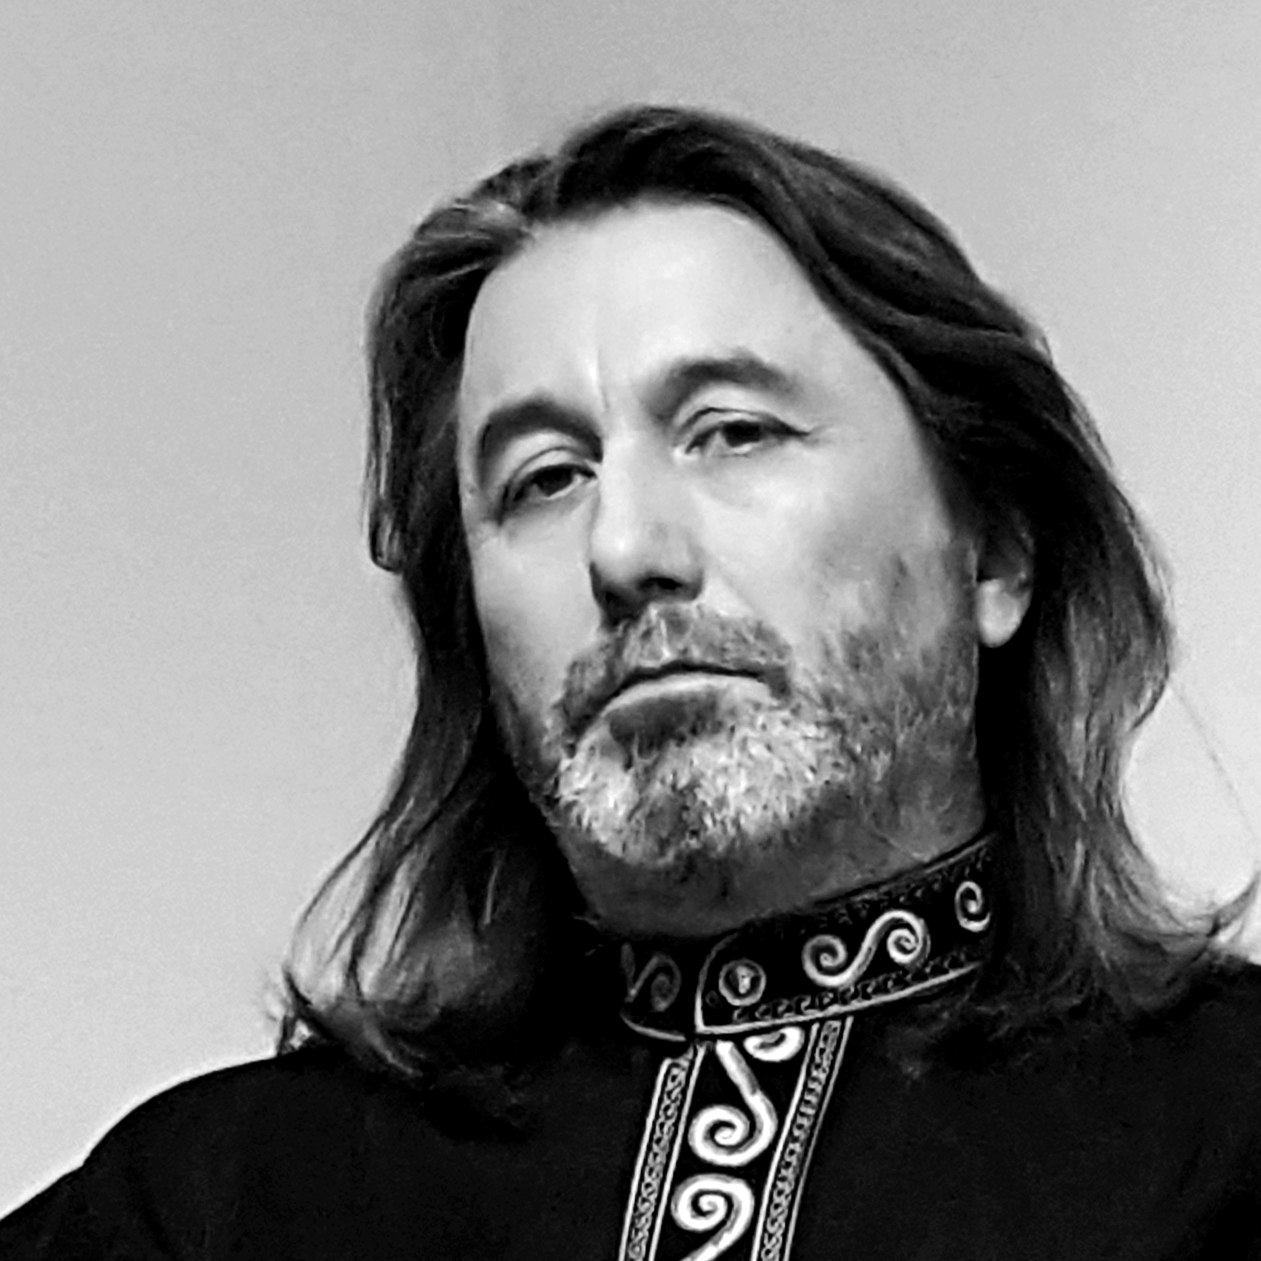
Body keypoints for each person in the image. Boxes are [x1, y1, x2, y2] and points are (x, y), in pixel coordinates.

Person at [3, 102, 1259, 1260]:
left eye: (733, 431)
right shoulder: (222, 1203)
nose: (623, 548)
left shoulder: (1231, 1136)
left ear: (993, 551)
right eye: (544, 479)